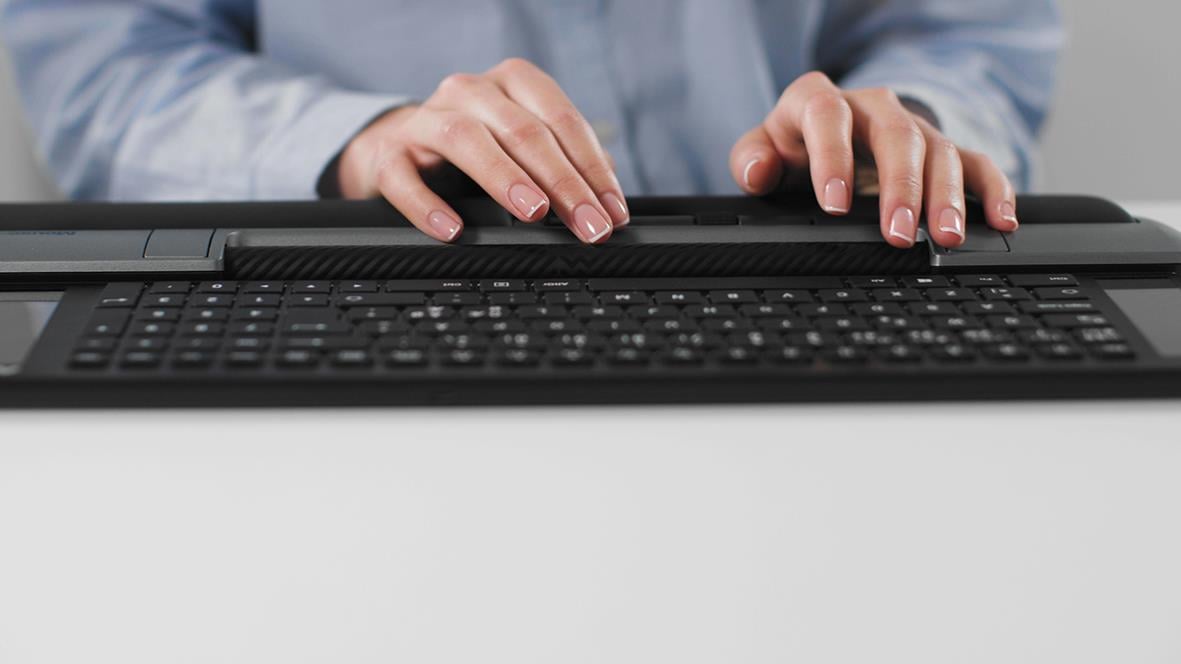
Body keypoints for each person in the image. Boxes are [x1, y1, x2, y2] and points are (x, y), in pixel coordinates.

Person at [2, 1, 1060, 248]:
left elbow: (962, 30)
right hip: (371, 284)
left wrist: (902, 125)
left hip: (812, 278)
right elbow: (106, 63)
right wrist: (356, 142)